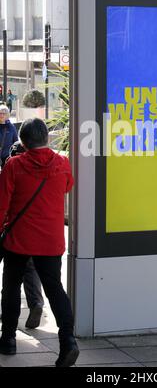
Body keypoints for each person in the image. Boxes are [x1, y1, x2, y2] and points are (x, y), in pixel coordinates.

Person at [0, 118, 79, 367]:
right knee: (55, 290)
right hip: (51, 241)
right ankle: (68, 342)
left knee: (11, 288)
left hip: (18, 240)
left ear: (22, 142)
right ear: (46, 138)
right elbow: (68, 185)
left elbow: (1, 205)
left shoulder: (13, 165)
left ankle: (8, 339)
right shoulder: (63, 164)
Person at [8, 141, 44, 329]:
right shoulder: (43, 172)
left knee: (11, 280)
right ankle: (36, 303)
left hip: (14, 234)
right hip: (36, 234)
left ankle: (7, 317)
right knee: (31, 270)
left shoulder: (12, 171)